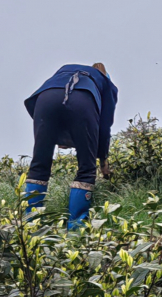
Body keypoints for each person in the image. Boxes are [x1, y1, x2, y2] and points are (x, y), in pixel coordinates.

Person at [23, 63, 119, 228]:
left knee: (39, 165)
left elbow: (60, 100)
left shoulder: (64, 70)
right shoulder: (106, 84)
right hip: (83, 102)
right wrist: (103, 161)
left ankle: (30, 226)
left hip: (45, 100)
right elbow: (104, 126)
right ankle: (75, 229)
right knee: (86, 169)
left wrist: (56, 134)